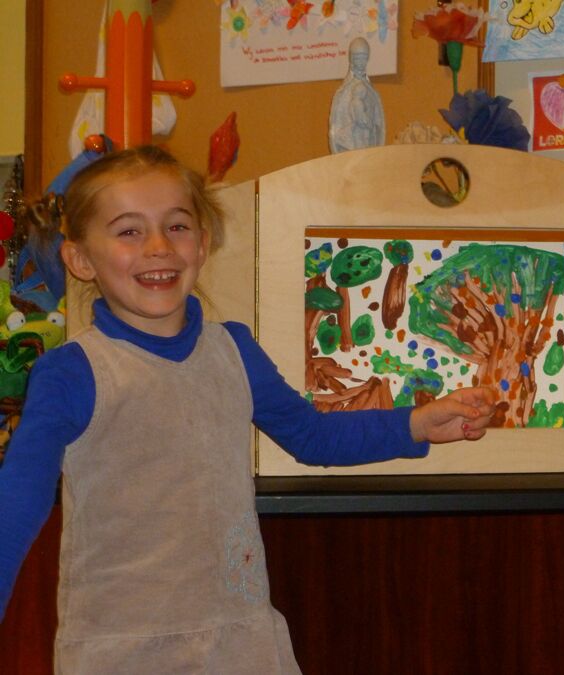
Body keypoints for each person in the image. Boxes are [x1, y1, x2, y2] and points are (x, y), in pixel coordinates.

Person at [0, 145, 496, 673]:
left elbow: (312, 436)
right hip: (124, 647)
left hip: (241, 640)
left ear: (202, 243)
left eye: (177, 226)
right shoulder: (73, 373)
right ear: (80, 259)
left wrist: (416, 424)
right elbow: (19, 503)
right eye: (128, 231)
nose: (158, 247)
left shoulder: (233, 350)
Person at [328, 37, 385, 154]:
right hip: (354, 143)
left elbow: (379, 124)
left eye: (364, 57)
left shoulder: (372, 93)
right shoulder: (343, 93)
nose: (361, 62)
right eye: (357, 58)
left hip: (368, 143)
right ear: (351, 58)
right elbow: (336, 127)